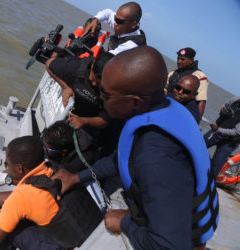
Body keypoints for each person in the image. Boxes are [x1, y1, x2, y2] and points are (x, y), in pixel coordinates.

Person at [52, 46, 218, 249]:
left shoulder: (155, 155)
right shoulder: (165, 107)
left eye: (105, 93)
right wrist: (75, 177)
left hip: (184, 236)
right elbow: (121, 159)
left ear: (134, 101)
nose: (100, 98)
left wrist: (125, 222)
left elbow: (170, 245)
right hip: (174, 207)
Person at [0, 136, 102, 250]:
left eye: (7, 165)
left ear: (19, 168)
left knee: (11, 226)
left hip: (72, 246)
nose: (6, 169)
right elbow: (28, 194)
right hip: (98, 232)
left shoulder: (22, 197)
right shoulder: (60, 171)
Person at [46, 52, 114, 130]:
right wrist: (65, 87)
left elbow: (104, 120)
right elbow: (48, 63)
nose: (94, 84)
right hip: (66, 110)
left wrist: (84, 121)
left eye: (100, 83)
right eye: (93, 79)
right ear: (92, 66)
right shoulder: (75, 67)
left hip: (89, 121)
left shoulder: (114, 90)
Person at [166, 47, 210, 118]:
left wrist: (195, 123)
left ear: (191, 60)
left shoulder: (200, 77)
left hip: (182, 114)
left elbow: (201, 102)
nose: (179, 61)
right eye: (178, 58)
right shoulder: (173, 73)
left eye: (182, 59)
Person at [204, 96, 240, 177]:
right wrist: (222, 108)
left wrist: (218, 129)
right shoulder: (236, 99)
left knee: (216, 164)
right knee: (197, 147)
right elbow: (225, 104)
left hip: (229, 142)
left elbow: (237, 132)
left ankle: (209, 184)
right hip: (216, 132)